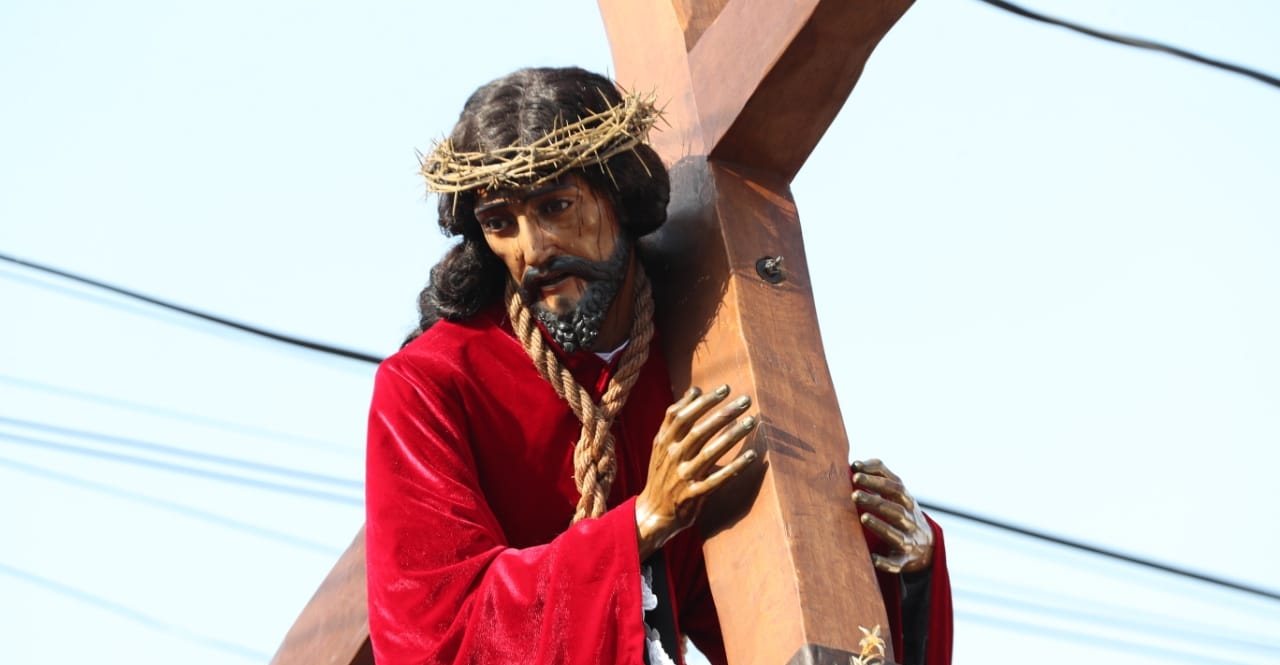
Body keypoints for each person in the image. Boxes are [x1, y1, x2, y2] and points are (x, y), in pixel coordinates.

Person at [365, 66, 952, 665]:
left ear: (617, 193)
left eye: (557, 206)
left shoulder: (700, 349)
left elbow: (758, 612)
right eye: (500, 223)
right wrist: (643, 522)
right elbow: (432, 638)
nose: (533, 249)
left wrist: (900, 571)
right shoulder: (429, 386)